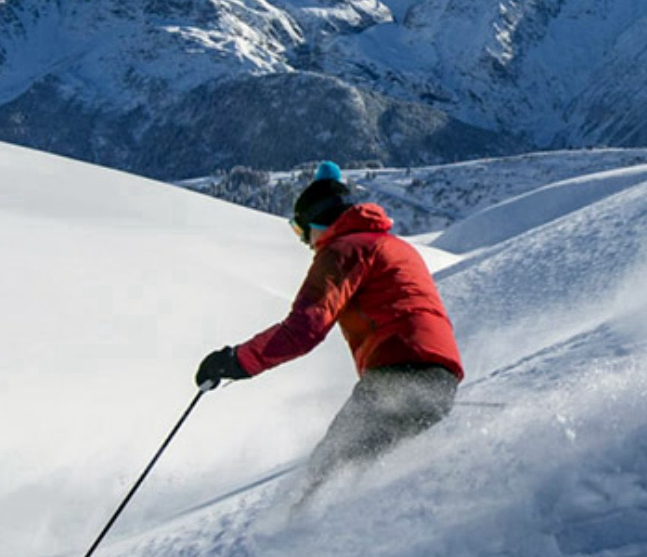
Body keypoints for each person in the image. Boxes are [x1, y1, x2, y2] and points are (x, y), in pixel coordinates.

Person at [196, 161, 464, 499]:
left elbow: (303, 329)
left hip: (398, 374)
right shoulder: (395, 247)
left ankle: (299, 542)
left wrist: (237, 362)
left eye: (299, 228)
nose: (305, 241)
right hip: (439, 381)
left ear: (316, 220)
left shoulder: (342, 250)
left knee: (323, 478)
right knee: (366, 476)